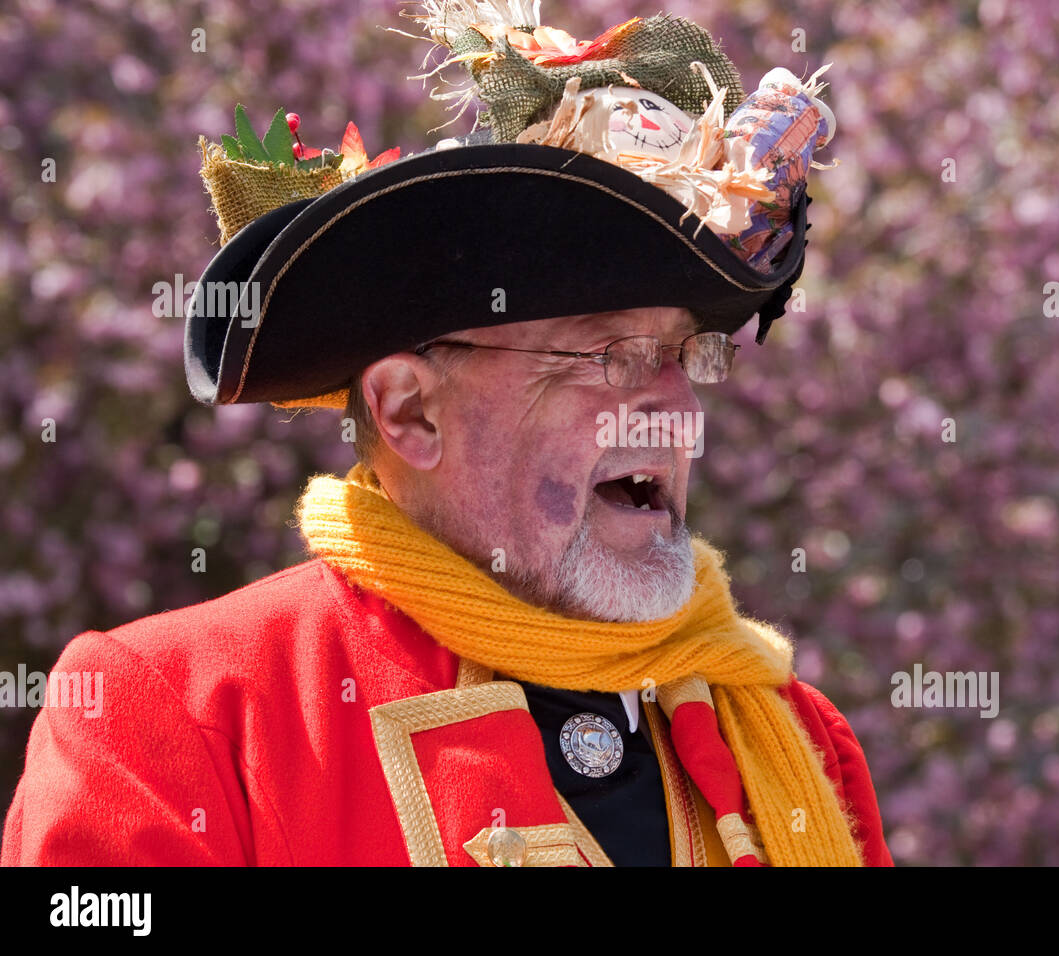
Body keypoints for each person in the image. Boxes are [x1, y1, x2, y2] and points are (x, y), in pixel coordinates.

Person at [2, 1, 890, 867]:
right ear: (409, 413)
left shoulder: (801, 738)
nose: (680, 412)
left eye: (684, 356)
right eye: (614, 356)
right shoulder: (175, 718)